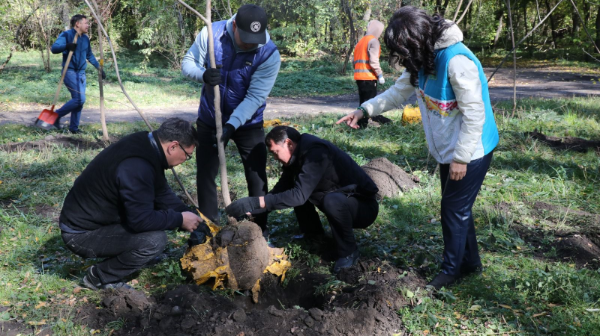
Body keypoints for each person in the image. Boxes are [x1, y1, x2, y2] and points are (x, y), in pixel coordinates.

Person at [337, 7, 499, 289]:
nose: (402, 59)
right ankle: (471, 264)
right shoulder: (421, 60)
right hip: (450, 150)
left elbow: (475, 114)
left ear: (417, 41)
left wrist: (461, 158)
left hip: (471, 150)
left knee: (452, 208)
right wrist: (364, 110)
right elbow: (397, 93)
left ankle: (451, 272)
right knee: (458, 208)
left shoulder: (456, 61)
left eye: (403, 51)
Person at [59, 118, 210, 290]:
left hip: (102, 219)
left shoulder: (146, 144)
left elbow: (161, 193)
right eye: (188, 155)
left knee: (155, 217)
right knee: (154, 241)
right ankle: (99, 277)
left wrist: (187, 213)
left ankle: (132, 253)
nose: (186, 159)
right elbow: (140, 220)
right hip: (81, 234)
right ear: (173, 146)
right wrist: (179, 219)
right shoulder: (137, 166)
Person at [181, 4, 281, 237]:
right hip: (209, 117)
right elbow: (188, 62)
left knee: (256, 175)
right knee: (206, 173)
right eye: (246, 39)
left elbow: (255, 96)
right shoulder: (211, 33)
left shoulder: (268, 53)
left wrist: (232, 124)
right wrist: (203, 74)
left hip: (248, 122)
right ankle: (208, 226)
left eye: (255, 40)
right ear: (234, 25)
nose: (250, 44)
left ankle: (258, 228)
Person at [225, 126, 379, 273]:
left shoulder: (316, 153)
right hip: (339, 199)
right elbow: (281, 190)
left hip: (363, 208)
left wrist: (256, 202)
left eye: (275, 152)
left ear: (288, 143)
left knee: (326, 200)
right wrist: (252, 209)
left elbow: (298, 196)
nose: (275, 158)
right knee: (295, 191)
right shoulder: (297, 155)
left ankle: (349, 252)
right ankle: (314, 235)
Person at [50, 14, 105, 134]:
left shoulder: (85, 38)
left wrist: (99, 68)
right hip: (69, 72)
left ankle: (74, 128)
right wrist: (67, 46)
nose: (88, 25)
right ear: (77, 24)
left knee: (79, 101)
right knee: (80, 99)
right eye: (85, 23)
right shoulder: (67, 35)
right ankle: (56, 116)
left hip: (81, 74)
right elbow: (54, 48)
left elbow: (89, 55)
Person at [353, 20, 388, 128]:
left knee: (363, 102)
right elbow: (373, 61)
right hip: (369, 77)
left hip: (359, 77)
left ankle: (361, 122)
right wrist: (380, 75)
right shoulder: (374, 41)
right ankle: (363, 124)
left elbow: (354, 61)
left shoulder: (361, 41)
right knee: (370, 103)